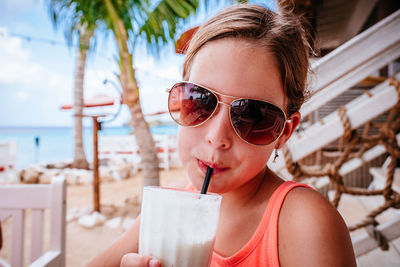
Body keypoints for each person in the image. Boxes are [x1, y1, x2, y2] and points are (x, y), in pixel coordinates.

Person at [86, 4, 356, 267]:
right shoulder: (169, 206)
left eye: (253, 115)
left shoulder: (305, 224)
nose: (217, 137)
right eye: (200, 101)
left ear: (284, 132)